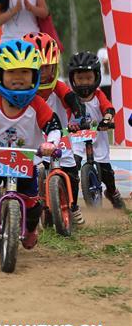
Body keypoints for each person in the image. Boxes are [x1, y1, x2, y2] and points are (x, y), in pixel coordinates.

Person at [0, 40, 61, 257]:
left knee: (33, 205)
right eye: (12, 71)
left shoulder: (36, 104)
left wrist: (50, 144)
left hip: (27, 161)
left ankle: (31, 228)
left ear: (34, 75)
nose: (18, 77)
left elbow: (53, 126)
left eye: (25, 72)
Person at [22, 32, 85, 224]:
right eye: (38, 68)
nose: (43, 73)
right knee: (26, 173)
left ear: (54, 66)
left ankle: (72, 206)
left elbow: (73, 100)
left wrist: (80, 116)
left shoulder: (58, 86)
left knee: (72, 172)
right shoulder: (21, 90)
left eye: (47, 68)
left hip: (60, 135)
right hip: (33, 138)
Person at [65, 51, 125, 210]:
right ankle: (70, 202)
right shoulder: (71, 98)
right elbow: (65, 115)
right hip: (78, 139)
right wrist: (68, 125)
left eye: (88, 78)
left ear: (96, 76)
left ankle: (112, 193)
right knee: (72, 167)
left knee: (106, 173)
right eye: (80, 78)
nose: (84, 82)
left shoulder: (98, 95)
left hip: (97, 137)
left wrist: (106, 120)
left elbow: (109, 108)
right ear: (73, 79)